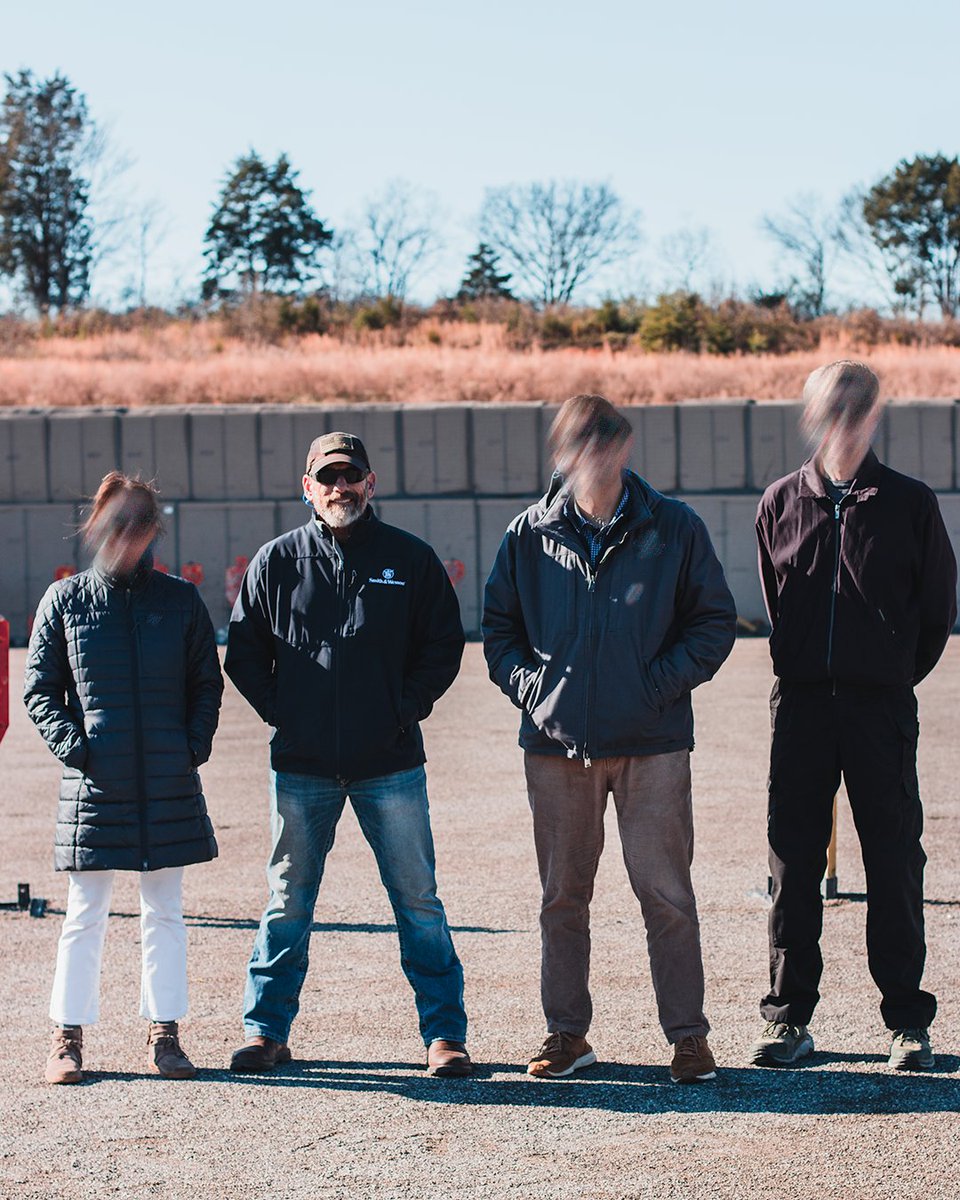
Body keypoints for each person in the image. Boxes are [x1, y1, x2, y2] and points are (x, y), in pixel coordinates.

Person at [482, 394, 737, 1082]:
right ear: (560, 454)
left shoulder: (673, 528)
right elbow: (498, 633)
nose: (593, 458)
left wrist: (652, 689)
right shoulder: (526, 536)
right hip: (556, 749)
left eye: (606, 445)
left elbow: (714, 624)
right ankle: (567, 1035)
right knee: (562, 898)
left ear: (624, 449)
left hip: (653, 746)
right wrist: (538, 694)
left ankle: (688, 1038)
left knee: (667, 897)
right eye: (578, 446)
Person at [224, 431, 471, 1077]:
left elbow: (444, 645)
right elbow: (244, 653)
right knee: (287, 903)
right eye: (326, 478)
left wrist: (401, 708)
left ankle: (444, 1037)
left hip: (389, 763)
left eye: (350, 475)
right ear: (306, 487)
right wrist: (289, 714)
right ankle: (265, 1031)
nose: (340, 488)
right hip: (302, 767)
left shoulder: (409, 561)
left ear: (371, 482)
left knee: (418, 902)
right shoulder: (276, 561)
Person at [751, 360, 956, 1071]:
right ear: (812, 417)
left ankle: (906, 1022)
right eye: (829, 411)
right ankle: (787, 1021)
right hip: (802, 710)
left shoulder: (910, 503)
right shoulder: (779, 503)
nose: (841, 424)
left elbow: (937, 614)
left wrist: (889, 675)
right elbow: (779, 607)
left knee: (894, 860)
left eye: (855, 412)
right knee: (792, 864)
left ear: (873, 418)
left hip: (879, 710)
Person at [24, 472, 223, 1085]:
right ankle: (67, 1038)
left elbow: (205, 685)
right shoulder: (65, 600)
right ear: (97, 528)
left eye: (139, 524)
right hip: (95, 785)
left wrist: (189, 748)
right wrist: (78, 751)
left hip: (167, 780)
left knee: (164, 910)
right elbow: (40, 690)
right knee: (85, 912)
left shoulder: (179, 600)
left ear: (153, 530)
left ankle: (165, 1036)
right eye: (117, 524)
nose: (127, 536)